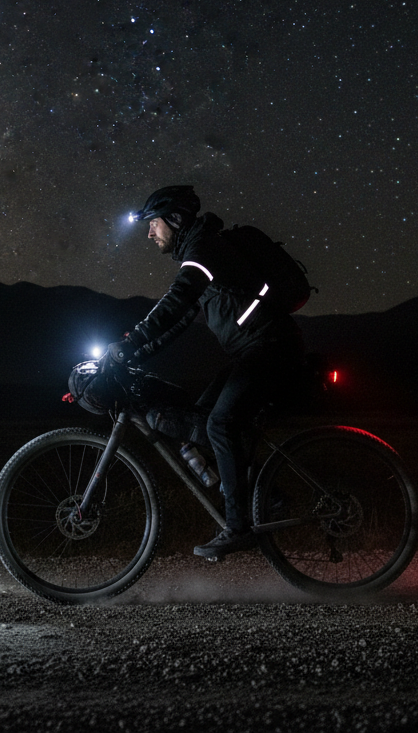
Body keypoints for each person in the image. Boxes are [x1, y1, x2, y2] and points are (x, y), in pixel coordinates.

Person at [106, 185, 306, 559]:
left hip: (271, 348)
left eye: (154, 224)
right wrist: (133, 353)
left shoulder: (203, 250)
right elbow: (179, 320)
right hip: (255, 350)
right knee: (201, 421)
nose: (150, 234)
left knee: (219, 424)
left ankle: (237, 527)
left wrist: (130, 342)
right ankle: (269, 497)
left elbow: (177, 299)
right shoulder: (200, 254)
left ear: (176, 219)